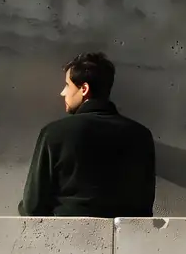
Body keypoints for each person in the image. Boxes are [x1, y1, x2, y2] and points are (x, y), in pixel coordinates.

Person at [18, 52, 156, 218]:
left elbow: (32, 206)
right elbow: (145, 205)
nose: (63, 92)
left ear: (84, 89)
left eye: (67, 85)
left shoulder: (54, 133)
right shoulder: (141, 136)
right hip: (127, 233)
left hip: (66, 231)